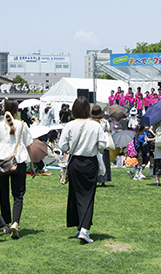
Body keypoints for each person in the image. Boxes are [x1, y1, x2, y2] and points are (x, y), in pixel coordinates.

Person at [58, 97, 108, 244]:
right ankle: (84, 229)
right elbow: (102, 145)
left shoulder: (69, 125)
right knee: (88, 195)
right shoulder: (95, 125)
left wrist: (71, 148)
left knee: (75, 194)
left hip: (75, 162)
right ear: (88, 109)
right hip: (90, 162)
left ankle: (79, 226)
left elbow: (62, 146)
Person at [0, 99, 36, 240]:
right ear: (16, 111)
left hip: (3, 162)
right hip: (19, 161)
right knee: (18, 195)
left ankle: (5, 223)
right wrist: (32, 166)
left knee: (3, 194)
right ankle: (15, 223)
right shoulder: (22, 125)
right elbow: (28, 146)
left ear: (4, 110)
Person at [91, 105, 112, 187]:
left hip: (94, 143)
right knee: (104, 161)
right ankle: (104, 179)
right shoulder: (105, 122)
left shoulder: (91, 122)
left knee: (95, 162)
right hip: (103, 143)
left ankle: (95, 179)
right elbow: (109, 130)